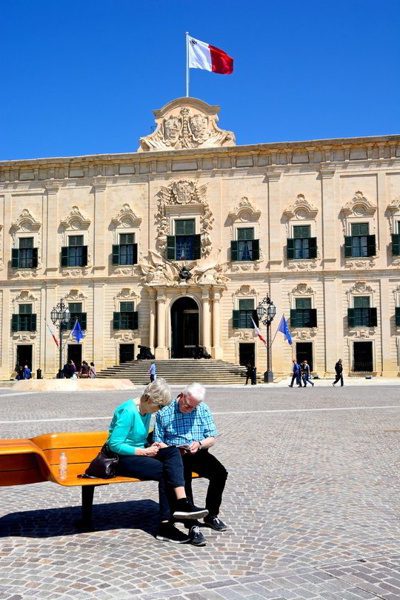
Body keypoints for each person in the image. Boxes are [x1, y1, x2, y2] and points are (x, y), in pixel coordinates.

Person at [107, 378, 208, 545]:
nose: (159, 410)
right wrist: (143, 451)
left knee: (173, 452)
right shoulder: (128, 411)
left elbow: (139, 438)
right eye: (159, 406)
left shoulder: (145, 410)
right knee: (164, 471)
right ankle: (165, 526)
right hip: (123, 458)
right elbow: (114, 444)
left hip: (139, 452)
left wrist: (151, 446)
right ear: (148, 398)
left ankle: (183, 502)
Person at [154, 382, 228, 542]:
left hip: (197, 451)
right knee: (184, 476)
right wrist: (172, 448)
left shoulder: (202, 409)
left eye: (193, 408)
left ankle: (211, 514)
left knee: (220, 473)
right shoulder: (164, 413)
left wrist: (200, 444)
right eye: (187, 405)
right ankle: (192, 523)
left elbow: (211, 438)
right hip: (175, 455)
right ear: (181, 395)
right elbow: (158, 442)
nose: (189, 409)